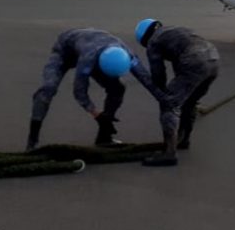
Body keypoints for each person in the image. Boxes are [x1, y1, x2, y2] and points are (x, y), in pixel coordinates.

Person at [27, 28, 164, 151]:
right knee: (48, 88)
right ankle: (32, 141)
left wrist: (165, 100)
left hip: (94, 47)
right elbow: (79, 91)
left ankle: (104, 137)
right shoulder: (88, 59)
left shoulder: (128, 55)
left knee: (118, 88)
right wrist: (97, 115)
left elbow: (147, 80)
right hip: (65, 50)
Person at [134, 18, 220, 167]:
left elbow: (158, 72)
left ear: (144, 38)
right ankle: (183, 139)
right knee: (190, 102)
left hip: (194, 60)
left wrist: (164, 94)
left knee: (169, 105)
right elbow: (179, 66)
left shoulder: (154, 41)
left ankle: (169, 154)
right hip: (213, 59)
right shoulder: (173, 31)